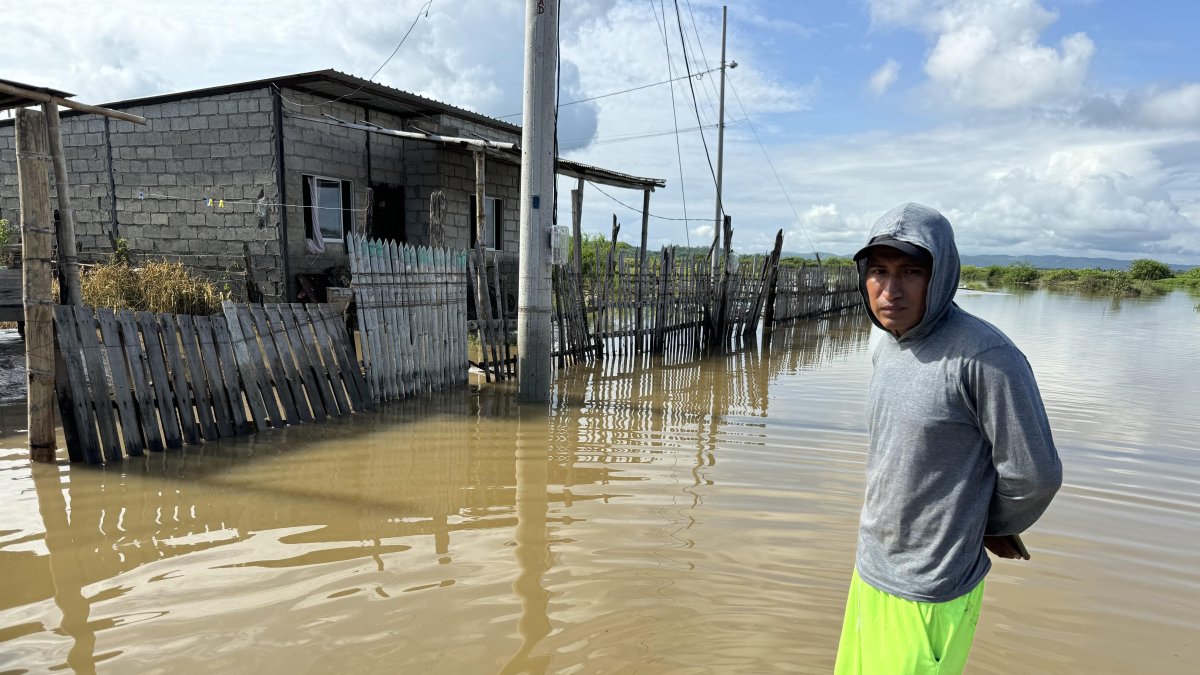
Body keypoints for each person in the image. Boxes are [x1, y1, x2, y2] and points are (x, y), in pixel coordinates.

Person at [834, 203, 1063, 674]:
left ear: (940, 277)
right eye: (879, 271)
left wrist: (983, 525)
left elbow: (1035, 475)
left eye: (911, 272)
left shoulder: (985, 358)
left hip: (931, 587)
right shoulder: (886, 344)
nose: (890, 290)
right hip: (872, 568)